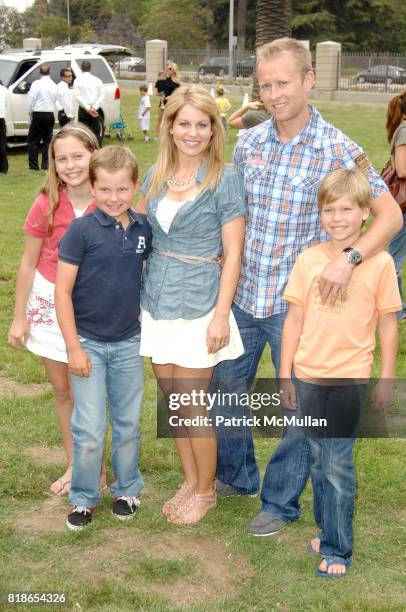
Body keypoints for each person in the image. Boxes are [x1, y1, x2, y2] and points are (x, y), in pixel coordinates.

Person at [213, 37, 402, 537]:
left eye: (283, 83)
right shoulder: (249, 141)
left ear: (308, 80)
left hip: (300, 306)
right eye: (266, 84)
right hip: (242, 295)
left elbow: (390, 214)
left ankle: (278, 501)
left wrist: (351, 259)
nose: (274, 93)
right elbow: (235, 212)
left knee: (299, 412)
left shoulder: (339, 148)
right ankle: (235, 476)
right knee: (225, 391)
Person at [280, 168, 400, 577]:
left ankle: (337, 550)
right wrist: (284, 375)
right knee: (318, 459)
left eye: (347, 209)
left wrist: (385, 378)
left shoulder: (380, 263)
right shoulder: (308, 260)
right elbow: (293, 321)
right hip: (307, 377)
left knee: (337, 464)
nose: (337, 218)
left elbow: (388, 323)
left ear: (366, 212)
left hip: (348, 379)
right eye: (329, 210)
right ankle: (326, 527)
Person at [138, 85, 247, 525]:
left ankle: (206, 491)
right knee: (172, 400)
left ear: (213, 129)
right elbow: (136, 229)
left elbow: (234, 252)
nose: (193, 132)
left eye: (202, 124)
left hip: (202, 301)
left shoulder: (224, 177)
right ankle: (189, 478)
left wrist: (221, 314)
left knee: (192, 402)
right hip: (157, 297)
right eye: (184, 123)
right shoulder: (156, 173)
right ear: (169, 125)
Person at [55, 146, 152, 532]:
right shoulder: (80, 231)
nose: (115, 198)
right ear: (92, 187)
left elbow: (148, 270)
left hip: (129, 342)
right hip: (88, 344)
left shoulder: (144, 228)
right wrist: (74, 347)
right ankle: (83, 497)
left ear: (135, 187)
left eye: (123, 190)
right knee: (90, 427)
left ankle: (127, 489)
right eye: (106, 190)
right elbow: (63, 292)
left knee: (127, 423)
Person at [8, 123, 100, 497]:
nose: (71, 165)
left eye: (78, 156)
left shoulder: (111, 196)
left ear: (94, 153)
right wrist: (19, 316)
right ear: (53, 164)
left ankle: (98, 468)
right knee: (64, 392)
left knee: (92, 394)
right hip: (49, 302)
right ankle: (76, 464)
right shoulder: (47, 201)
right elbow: (28, 263)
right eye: (61, 158)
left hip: (95, 308)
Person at [385, 90, 406, 321]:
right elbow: (402, 169)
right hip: (405, 205)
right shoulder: (405, 131)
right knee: (394, 260)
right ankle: (396, 309)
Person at [27, 64, 58, 171]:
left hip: (38, 113)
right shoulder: (54, 85)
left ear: (39, 72)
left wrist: (29, 111)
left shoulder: (36, 84)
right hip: (49, 113)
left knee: (33, 141)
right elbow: (55, 100)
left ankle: (33, 166)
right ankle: (46, 165)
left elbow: (31, 99)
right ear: (49, 72)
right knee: (47, 141)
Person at [73, 61, 104, 145]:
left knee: (83, 134)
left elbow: (77, 96)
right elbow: (101, 96)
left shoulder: (77, 80)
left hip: (83, 109)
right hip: (95, 109)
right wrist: (93, 108)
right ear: (90, 68)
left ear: (81, 68)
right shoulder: (98, 80)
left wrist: (87, 108)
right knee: (95, 134)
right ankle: (96, 151)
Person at [154, 71, 167, 139]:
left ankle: (166, 135)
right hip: (162, 99)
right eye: (161, 75)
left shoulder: (167, 82)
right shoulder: (157, 83)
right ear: (159, 76)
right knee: (159, 119)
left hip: (168, 101)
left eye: (163, 76)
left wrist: (164, 94)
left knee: (167, 119)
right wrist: (161, 93)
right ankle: (156, 135)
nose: (162, 77)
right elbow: (156, 93)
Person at [0, 79, 8, 174]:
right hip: (1, 118)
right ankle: (4, 167)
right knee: (2, 143)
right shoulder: (4, 90)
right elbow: (5, 104)